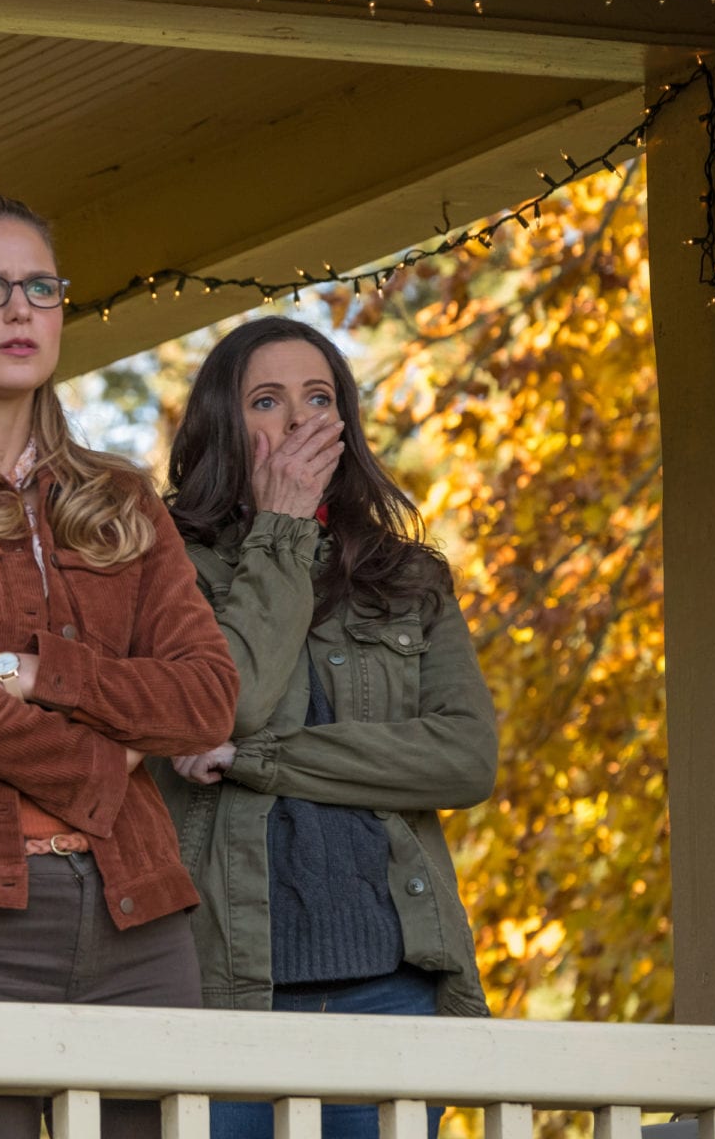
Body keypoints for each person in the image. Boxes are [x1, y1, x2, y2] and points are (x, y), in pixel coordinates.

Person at [0, 194, 240, 1139]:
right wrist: (109, 759)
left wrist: (34, 672)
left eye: (41, 288)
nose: (20, 308)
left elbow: (208, 698)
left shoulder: (120, 497)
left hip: (140, 916)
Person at [155, 317, 498, 1139]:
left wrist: (259, 759)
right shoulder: (164, 566)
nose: (298, 421)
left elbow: (465, 758)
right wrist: (280, 528)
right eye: (266, 401)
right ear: (222, 425)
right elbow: (226, 704)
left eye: (318, 398)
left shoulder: (406, 578)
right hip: (222, 993)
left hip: (394, 988)